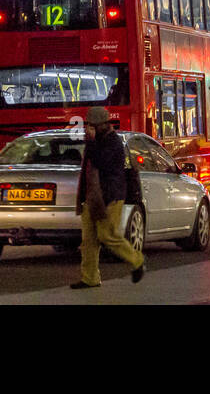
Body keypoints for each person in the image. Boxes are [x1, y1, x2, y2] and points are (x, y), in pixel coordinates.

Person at [71, 107, 145, 289]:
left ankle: (137, 260)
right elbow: (87, 168)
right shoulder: (96, 141)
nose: (89, 128)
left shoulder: (113, 142)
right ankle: (90, 278)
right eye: (88, 125)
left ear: (103, 125)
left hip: (110, 197)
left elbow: (100, 162)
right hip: (92, 197)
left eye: (92, 125)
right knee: (88, 241)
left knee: (107, 235)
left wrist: (91, 141)